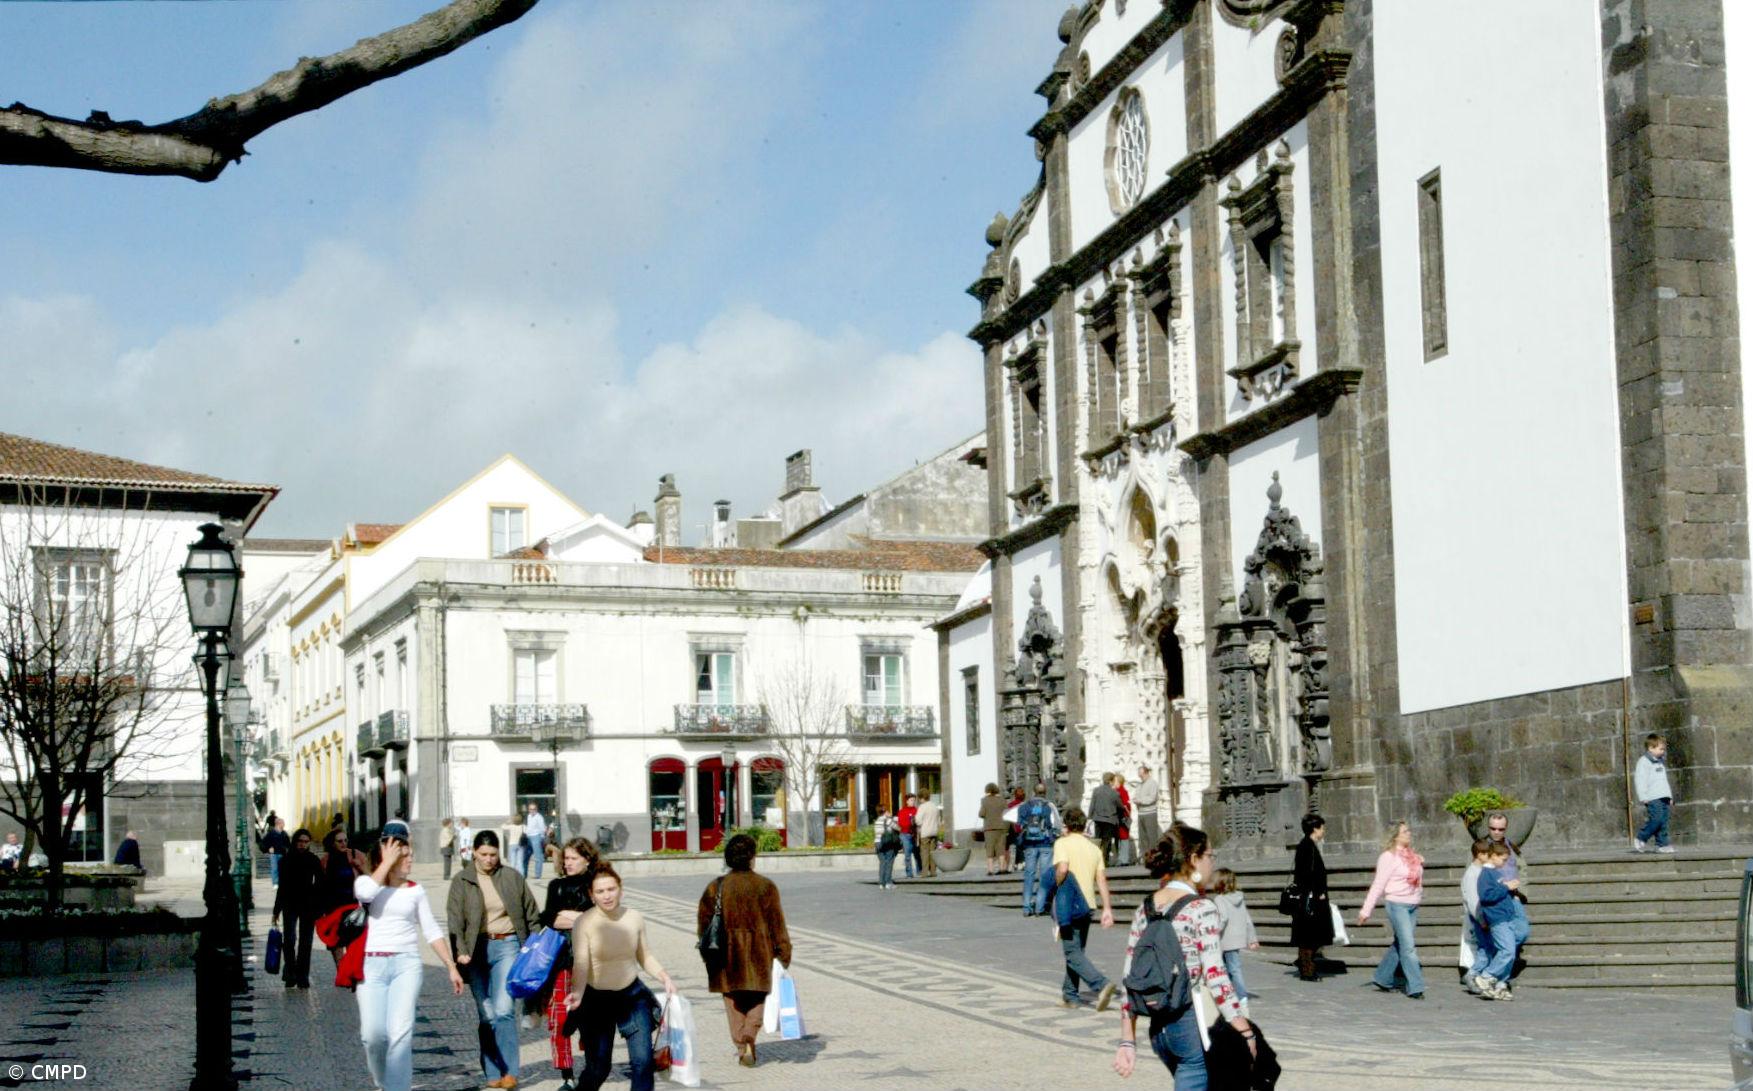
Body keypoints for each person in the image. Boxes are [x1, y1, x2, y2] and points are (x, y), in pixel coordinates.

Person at [1113, 824, 1255, 1089]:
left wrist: (1127, 1040)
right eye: (1209, 856)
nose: (1212, 863)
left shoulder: (1145, 907)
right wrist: (1243, 1028)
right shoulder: (1202, 908)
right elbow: (1215, 974)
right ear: (1193, 860)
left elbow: (1129, 976)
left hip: (1159, 1028)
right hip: (1191, 1023)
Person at [354, 821, 466, 1091]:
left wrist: (450, 965)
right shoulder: (366, 883)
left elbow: (431, 930)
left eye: (410, 856)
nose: (409, 861)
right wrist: (386, 861)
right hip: (372, 965)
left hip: (406, 964)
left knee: (401, 1034)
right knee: (373, 1036)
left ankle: (396, 1088)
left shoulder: (416, 891)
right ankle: (383, 1082)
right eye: (404, 857)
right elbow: (366, 893)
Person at [565, 866, 676, 1091]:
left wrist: (664, 976)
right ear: (591, 894)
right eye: (600, 891)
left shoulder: (634, 917)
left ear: (620, 889)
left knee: (643, 1062)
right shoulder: (584, 922)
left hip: (632, 996)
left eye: (611, 889)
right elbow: (582, 963)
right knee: (599, 1067)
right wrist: (577, 993)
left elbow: (644, 955)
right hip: (597, 999)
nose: (607, 895)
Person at [448, 830, 540, 1090]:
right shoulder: (462, 880)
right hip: (476, 950)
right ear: (474, 853)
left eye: (493, 854)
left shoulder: (511, 877)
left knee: (503, 1009)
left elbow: (531, 913)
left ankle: (510, 1071)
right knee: (487, 1014)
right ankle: (491, 1070)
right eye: (484, 854)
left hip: (507, 944)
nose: (489, 859)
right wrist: (460, 951)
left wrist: (533, 947)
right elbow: (455, 919)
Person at [697, 832, 792, 1068]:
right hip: (758, 953)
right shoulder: (766, 886)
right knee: (757, 997)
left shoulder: (715, 887)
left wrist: (706, 953)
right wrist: (783, 953)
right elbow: (776, 923)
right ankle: (750, 1033)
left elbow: (704, 924)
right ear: (752, 857)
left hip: (724, 956)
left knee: (732, 1001)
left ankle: (741, 1044)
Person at [543, 837, 602, 1091]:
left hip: (590, 960)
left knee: (590, 1017)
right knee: (559, 1018)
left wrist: (572, 917)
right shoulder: (556, 885)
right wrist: (580, 918)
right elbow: (548, 918)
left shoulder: (596, 885)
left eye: (573, 859)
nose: (567, 863)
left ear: (587, 860)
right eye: (565, 858)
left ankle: (592, 1068)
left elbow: (602, 918)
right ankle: (566, 1075)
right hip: (560, 959)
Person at [1051, 805, 1117, 1010]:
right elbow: (1102, 880)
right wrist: (1107, 908)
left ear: (1067, 825)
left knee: (1072, 953)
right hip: (1087, 904)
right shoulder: (1094, 848)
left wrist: (1056, 882)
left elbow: (1062, 868)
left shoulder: (1062, 843)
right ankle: (1070, 995)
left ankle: (1101, 984)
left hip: (1068, 904)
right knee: (1077, 951)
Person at [1358, 820, 1426, 999]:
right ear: (1395, 836)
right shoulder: (1388, 857)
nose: (1409, 833)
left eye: (1408, 830)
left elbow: (1417, 880)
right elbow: (1378, 884)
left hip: (1412, 904)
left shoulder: (1411, 855)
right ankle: (1416, 987)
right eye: (1405, 831)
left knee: (1401, 943)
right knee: (1408, 947)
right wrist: (1366, 910)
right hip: (1397, 904)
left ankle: (1382, 977)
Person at [1474, 840, 1530, 1000]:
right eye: (1503, 859)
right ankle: (1486, 976)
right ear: (1493, 856)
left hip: (1506, 916)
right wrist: (1506, 887)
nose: (1504, 863)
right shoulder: (1486, 874)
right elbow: (1486, 896)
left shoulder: (1495, 873)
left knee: (1510, 951)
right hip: (1498, 919)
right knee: (1507, 951)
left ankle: (1500, 983)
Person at [272, 827, 323, 988]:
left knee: (306, 942)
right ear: (295, 842)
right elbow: (282, 887)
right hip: (289, 903)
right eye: (300, 841)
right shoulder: (285, 860)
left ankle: (302, 975)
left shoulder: (313, 860)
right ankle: (290, 972)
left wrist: (319, 905)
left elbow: (321, 883)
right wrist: (276, 910)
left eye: (306, 842)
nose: (303, 845)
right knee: (289, 939)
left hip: (308, 905)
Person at [1291, 814, 1334, 981]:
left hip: (1310, 897)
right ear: (1315, 829)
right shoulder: (1307, 847)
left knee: (1311, 935)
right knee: (1311, 935)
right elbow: (1308, 874)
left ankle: (1305, 963)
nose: (1323, 830)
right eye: (1322, 827)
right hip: (1311, 899)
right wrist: (1318, 892)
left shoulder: (1307, 845)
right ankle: (1307, 968)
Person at [1209, 868, 1259, 1004]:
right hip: (1238, 938)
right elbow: (1247, 919)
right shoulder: (1239, 897)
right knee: (1231, 967)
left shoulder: (1219, 899)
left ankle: (1241, 995)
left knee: (1233, 968)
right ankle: (1230, 992)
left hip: (1226, 939)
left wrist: (1214, 932)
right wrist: (1252, 939)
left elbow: (1223, 918)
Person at [1011, 783, 1061, 916]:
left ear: (1033, 792)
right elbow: (1057, 825)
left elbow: (1019, 826)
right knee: (1044, 876)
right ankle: (1039, 907)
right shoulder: (1049, 806)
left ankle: (1026, 907)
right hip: (1046, 844)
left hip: (1029, 845)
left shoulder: (1024, 806)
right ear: (1045, 793)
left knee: (1029, 875)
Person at [1460, 838, 1493, 994]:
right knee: (1484, 949)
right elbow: (1473, 900)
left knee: (1485, 949)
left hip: (1483, 917)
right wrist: (1481, 919)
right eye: (1487, 853)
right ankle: (1472, 976)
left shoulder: (1481, 871)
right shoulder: (1472, 874)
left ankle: (1479, 977)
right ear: (1480, 854)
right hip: (1478, 918)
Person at [1634, 733, 1676, 854]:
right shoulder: (1644, 762)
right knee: (1656, 819)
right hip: (1652, 797)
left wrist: (1670, 797)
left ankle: (1662, 844)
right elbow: (1640, 780)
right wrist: (1643, 796)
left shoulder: (1660, 762)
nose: (1663, 751)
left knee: (1663, 822)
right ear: (1651, 748)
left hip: (1663, 797)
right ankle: (1641, 837)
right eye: (1660, 749)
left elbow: (1664, 782)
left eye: (1664, 749)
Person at [1090, 773, 1123, 866]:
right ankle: (1105, 860)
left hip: (1098, 819)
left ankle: (1097, 860)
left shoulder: (1096, 790)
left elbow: (1092, 805)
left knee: (1098, 840)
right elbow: (1120, 806)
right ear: (1111, 781)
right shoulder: (1114, 793)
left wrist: (1090, 817)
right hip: (1110, 819)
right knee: (1107, 841)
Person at [979, 783, 1010, 876]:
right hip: (1001, 827)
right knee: (1001, 848)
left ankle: (990, 870)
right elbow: (1006, 813)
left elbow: (981, 814)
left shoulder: (984, 801)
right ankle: (1002, 868)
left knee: (990, 849)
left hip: (989, 828)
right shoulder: (1002, 800)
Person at [872, 803, 902, 890]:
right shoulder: (888, 820)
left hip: (878, 843)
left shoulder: (877, 821)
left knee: (882, 863)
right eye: (887, 810)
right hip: (888, 843)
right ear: (884, 811)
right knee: (889, 862)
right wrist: (892, 819)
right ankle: (888, 882)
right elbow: (898, 828)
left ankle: (881, 883)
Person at [1132, 765, 1161, 849]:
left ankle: (1154, 858)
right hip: (1141, 813)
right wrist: (1136, 800)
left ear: (1147, 773)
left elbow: (1152, 798)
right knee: (1142, 838)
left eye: (1142, 775)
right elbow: (1136, 796)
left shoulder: (1153, 783)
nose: (1141, 777)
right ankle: (1145, 858)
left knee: (1152, 837)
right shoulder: (1140, 785)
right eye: (1139, 775)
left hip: (1150, 813)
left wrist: (1140, 800)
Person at [915, 790, 942, 878]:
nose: (919, 800)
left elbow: (918, 821)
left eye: (919, 798)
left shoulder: (922, 807)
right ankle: (933, 871)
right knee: (932, 852)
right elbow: (939, 821)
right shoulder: (934, 806)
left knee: (924, 853)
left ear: (922, 798)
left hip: (925, 832)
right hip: (934, 831)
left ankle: (925, 872)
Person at [261, 816, 290, 885]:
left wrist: (287, 849)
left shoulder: (284, 833)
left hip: (282, 854)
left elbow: (288, 844)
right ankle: (275, 883)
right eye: (283, 823)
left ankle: (282, 882)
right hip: (274, 854)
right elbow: (263, 843)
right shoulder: (271, 833)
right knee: (274, 869)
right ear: (278, 824)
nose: (284, 825)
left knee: (283, 869)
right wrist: (268, 848)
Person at [897, 795, 920, 880]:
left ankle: (919, 871)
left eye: (914, 800)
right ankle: (909, 873)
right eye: (911, 800)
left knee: (917, 854)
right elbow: (901, 824)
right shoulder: (902, 811)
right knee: (907, 855)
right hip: (905, 835)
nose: (913, 802)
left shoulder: (916, 810)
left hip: (915, 835)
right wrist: (910, 824)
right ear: (907, 801)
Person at [525, 802, 549, 879]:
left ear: (536, 809)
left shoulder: (539, 817)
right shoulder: (529, 816)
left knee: (538, 857)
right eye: (530, 809)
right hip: (529, 837)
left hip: (536, 837)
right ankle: (524, 874)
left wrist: (541, 838)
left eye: (534, 809)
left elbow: (542, 828)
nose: (532, 811)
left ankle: (537, 875)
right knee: (526, 856)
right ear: (528, 810)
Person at [1114, 772, 1133, 866]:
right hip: (1120, 817)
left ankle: (1124, 859)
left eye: (1115, 780)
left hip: (1122, 818)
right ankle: (1122, 858)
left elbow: (1125, 804)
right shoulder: (1120, 791)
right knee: (1121, 838)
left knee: (1123, 838)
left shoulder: (1121, 791)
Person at [1006, 786, 1026, 872]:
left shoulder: (1010, 805)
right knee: (1020, 846)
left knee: (1017, 846)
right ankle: (1020, 862)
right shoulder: (1026, 805)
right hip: (1023, 828)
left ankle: (1017, 863)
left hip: (1013, 828)